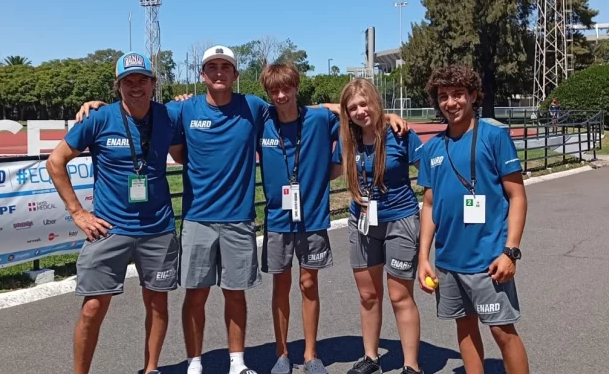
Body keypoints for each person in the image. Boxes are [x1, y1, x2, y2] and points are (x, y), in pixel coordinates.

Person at [75, 45, 347, 374]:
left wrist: (357, 110)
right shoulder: (181, 111)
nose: (218, 72)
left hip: (239, 219)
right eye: (211, 67)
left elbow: (294, 106)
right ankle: (194, 363)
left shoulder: (254, 107)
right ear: (202, 74)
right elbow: (138, 110)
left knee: (235, 295)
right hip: (196, 219)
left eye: (225, 67)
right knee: (196, 294)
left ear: (234, 74)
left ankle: (236, 363)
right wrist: (99, 108)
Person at [256, 64, 409, 374]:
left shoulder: (317, 119)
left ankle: (311, 354)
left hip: (311, 217)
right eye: (274, 90)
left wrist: (387, 117)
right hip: (277, 218)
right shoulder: (262, 120)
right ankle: (282, 353)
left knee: (309, 283)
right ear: (268, 93)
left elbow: (350, 113)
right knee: (280, 287)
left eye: (287, 88)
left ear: (297, 87)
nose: (281, 95)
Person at [47, 52, 182, 374]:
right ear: (118, 85)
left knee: (157, 303)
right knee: (93, 307)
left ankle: (151, 368)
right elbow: (55, 162)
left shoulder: (168, 117)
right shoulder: (98, 118)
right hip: (109, 229)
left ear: (153, 84)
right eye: (128, 81)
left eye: (142, 80)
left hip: (158, 228)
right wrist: (78, 213)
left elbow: (184, 155)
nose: (136, 87)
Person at [416, 65, 529, 374]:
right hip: (449, 262)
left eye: (457, 94)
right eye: (443, 96)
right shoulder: (433, 148)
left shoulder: (494, 136)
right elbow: (428, 205)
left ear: (473, 96)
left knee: (502, 332)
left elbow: (517, 196)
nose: (450, 102)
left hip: (489, 260)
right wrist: (423, 257)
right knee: (464, 329)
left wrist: (510, 251)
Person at [330, 78, 424, 374]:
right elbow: (331, 171)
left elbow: (430, 175)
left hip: (400, 219)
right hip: (362, 222)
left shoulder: (400, 133)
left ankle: (411, 365)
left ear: (375, 101)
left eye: (364, 103)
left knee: (399, 296)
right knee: (368, 295)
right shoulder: (348, 138)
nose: (360, 111)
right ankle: (371, 357)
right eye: (352, 107)